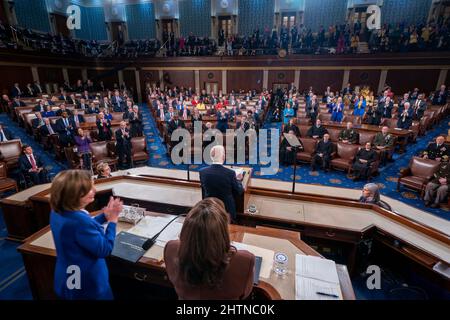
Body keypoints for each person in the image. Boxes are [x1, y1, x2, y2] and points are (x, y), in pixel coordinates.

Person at [50, 170, 123, 299]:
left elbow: (78, 230)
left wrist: (104, 217)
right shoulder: (80, 221)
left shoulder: (58, 212)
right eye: (89, 188)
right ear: (74, 195)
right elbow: (104, 249)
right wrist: (112, 221)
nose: (95, 189)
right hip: (88, 284)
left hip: (69, 275)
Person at [164, 198, 255, 300]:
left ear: (187, 229)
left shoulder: (171, 248)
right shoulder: (245, 260)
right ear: (223, 232)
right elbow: (245, 294)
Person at [199, 145, 244, 222]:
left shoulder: (202, 172)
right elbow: (239, 190)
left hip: (209, 209)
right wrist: (238, 180)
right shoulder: (230, 173)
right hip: (226, 210)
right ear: (223, 157)